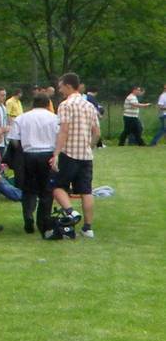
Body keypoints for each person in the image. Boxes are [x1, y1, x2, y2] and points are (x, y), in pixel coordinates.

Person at [51, 72, 101, 238]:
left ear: (68, 86)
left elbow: (63, 131)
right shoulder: (89, 106)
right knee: (86, 191)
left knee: (57, 187)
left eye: (61, 86)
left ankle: (71, 212)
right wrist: (89, 147)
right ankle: (88, 228)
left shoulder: (65, 105)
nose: (59, 90)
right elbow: (97, 132)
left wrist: (56, 153)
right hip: (85, 155)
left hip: (69, 153)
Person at [13, 92, 63, 236]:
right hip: (47, 155)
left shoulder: (21, 118)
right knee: (46, 190)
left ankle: (28, 215)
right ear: (48, 104)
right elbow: (60, 137)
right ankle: (43, 222)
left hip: (28, 154)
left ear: (32, 103)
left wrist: (22, 151)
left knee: (28, 189)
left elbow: (14, 140)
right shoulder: (54, 118)